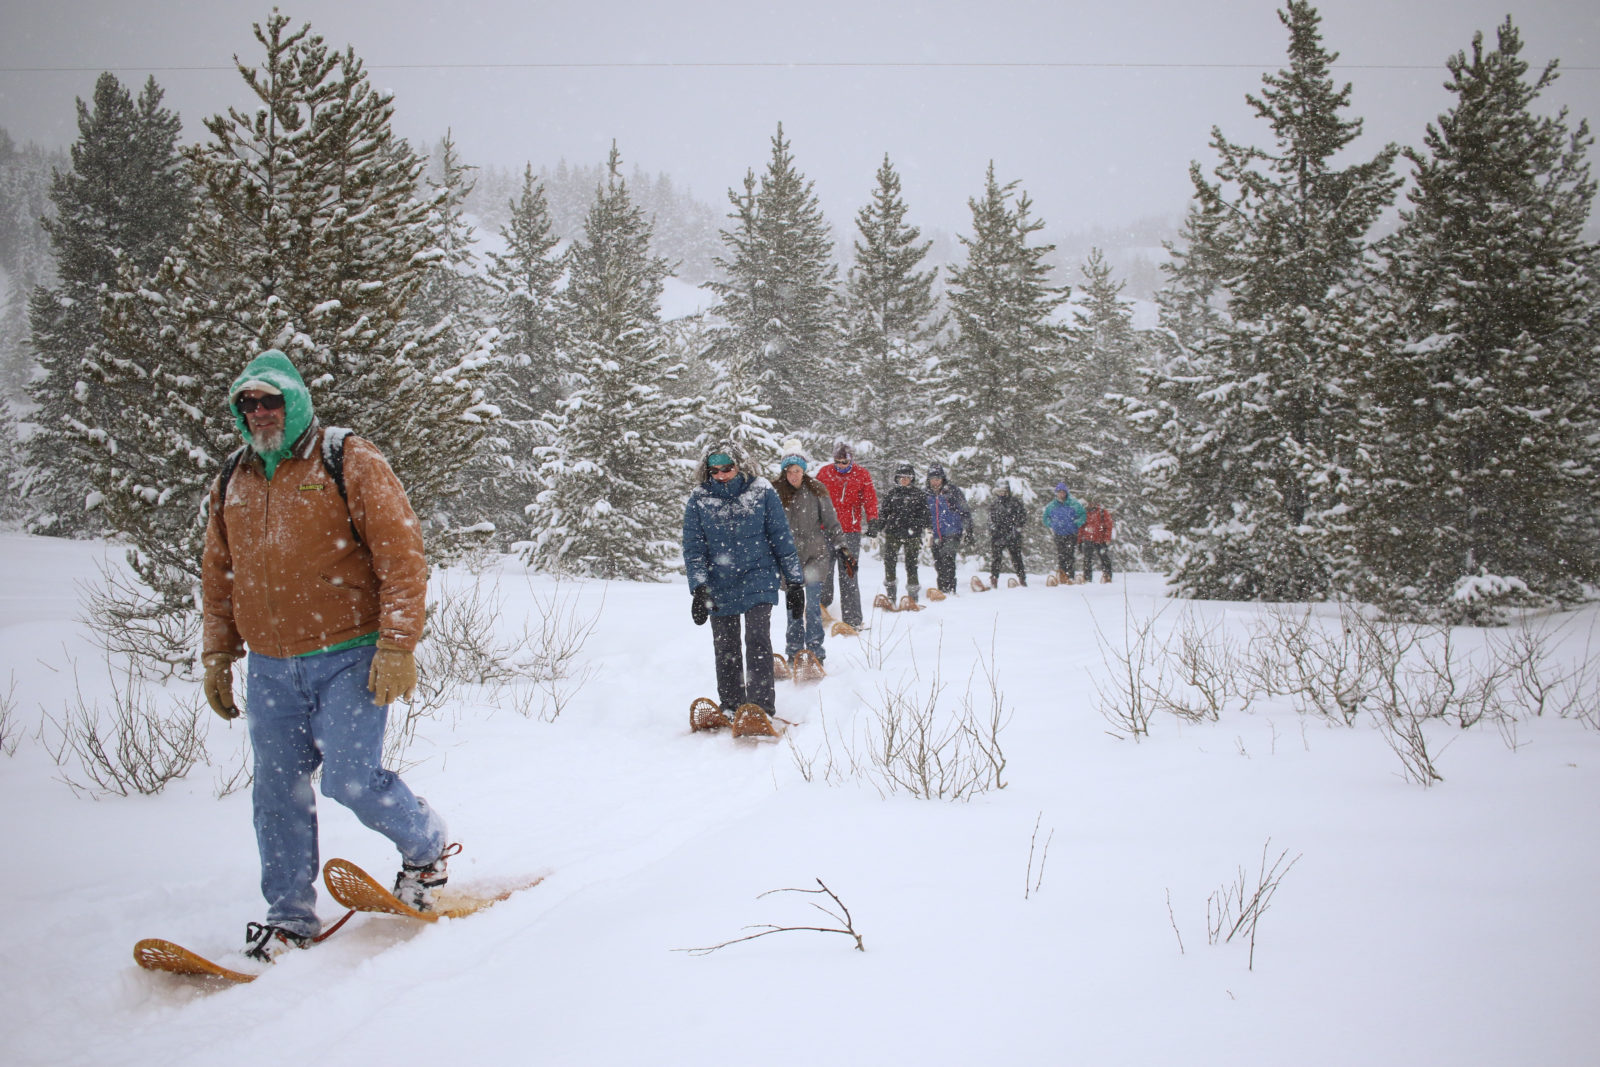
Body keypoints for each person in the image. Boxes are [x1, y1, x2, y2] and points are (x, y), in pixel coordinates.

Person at [201, 349, 451, 963]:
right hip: (269, 666)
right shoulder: (234, 476)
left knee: (348, 779)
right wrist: (217, 654)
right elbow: (218, 571)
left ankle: (425, 846)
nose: (259, 412)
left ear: (295, 402)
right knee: (276, 794)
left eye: (270, 401)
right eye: (248, 404)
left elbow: (400, 552)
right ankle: (288, 917)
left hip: (347, 653)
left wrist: (397, 644)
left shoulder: (345, 458)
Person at [682, 443, 806, 737]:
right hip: (719, 581)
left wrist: (794, 582)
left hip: (758, 576)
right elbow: (694, 548)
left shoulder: (762, 491)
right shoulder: (699, 499)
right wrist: (699, 588)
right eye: (715, 470)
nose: (722, 475)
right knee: (725, 646)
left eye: (728, 468)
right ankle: (732, 705)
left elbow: (781, 538)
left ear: (740, 465)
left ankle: (761, 707)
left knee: (756, 638)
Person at [774, 452, 852, 668]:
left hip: (815, 555)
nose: (793, 475)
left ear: (803, 470)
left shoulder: (817, 490)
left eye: (797, 471)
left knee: (813, 607)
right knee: (794, 608)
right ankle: (794, 652)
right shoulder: (775, 492)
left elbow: (831, 521)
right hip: (789, 559)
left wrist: (842, 547)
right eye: (789, 471)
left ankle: (817, 651)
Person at [815, 443, 878, 630]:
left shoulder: (862, 474)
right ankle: (821, 610)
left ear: (852, 460)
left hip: (849, 531)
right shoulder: (824, 473)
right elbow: (813, 498)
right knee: (824, 573)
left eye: (845, 462)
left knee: (849, 575)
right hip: (826, 529)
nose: (841, 465)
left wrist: (873, 519)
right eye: (837, 462)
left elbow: (870, 498)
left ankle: (853, 620)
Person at [879, 464, 930, 603]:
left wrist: (924, 528)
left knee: (911, 564)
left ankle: (913, 597)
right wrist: (877, 528)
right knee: (889, 562)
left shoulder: (919, 495)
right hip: (893, 533)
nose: (904, 480)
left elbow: (925, 515)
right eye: (901, 477)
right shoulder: (892, 494)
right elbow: (883, 513)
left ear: (912, 479)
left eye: (907, 477)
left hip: (912, 534)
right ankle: (891, 595)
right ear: (897, 478)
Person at [925, 464, 971, 596]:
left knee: (948, 559)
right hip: (934, 534)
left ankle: (950, 589)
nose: (935, 481)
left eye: (937, 478)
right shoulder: (926, 494)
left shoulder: (953, 492)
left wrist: (968, 530)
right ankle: (942, 589)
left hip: (952, 531)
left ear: (942, 478)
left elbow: (965, 511)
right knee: (938, 562)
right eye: (932, 478)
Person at [987, 480, 1029, 588]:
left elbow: (1022, 517)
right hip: (998, 535)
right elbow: (990, 520)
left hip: (1013, 535)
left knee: (1017, 558)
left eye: (1003, 491)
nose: (1001, 493)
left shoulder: (1015, 502)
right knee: (996, 559)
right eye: (999, 491)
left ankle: (1022, 579)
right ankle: (994, 579)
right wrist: (994, 530)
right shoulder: (994, 504)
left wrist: (1016, 529)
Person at [1043, 483, 1087, 582]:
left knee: (1070, 555)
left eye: (1063, 492)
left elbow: (1083, 515)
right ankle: (1062, 575)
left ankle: (1070, 576)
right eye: (1059, 492)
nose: (1061, 494)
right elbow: (1045, 518)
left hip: (1071, 533)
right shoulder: (1051, 505)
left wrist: (1076, 523)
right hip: (1058, 533)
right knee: (1061, 555)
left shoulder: (1074, 503)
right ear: (1056, 493)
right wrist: (1052, 524)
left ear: (1066, 493)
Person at [1080, 501, 1115, 583]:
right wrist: (1080, 540)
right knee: (1087, 560)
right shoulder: (1084, 513)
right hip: (1088, 539)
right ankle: (1087, 578)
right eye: (1089, 503)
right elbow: (1081, 527)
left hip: (1100, 540)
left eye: (1092, 503)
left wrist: (1107, 538)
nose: (1091, 504)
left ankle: (1107, 576)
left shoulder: (1102, 512)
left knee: (1104, 559)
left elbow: (1108, 525)